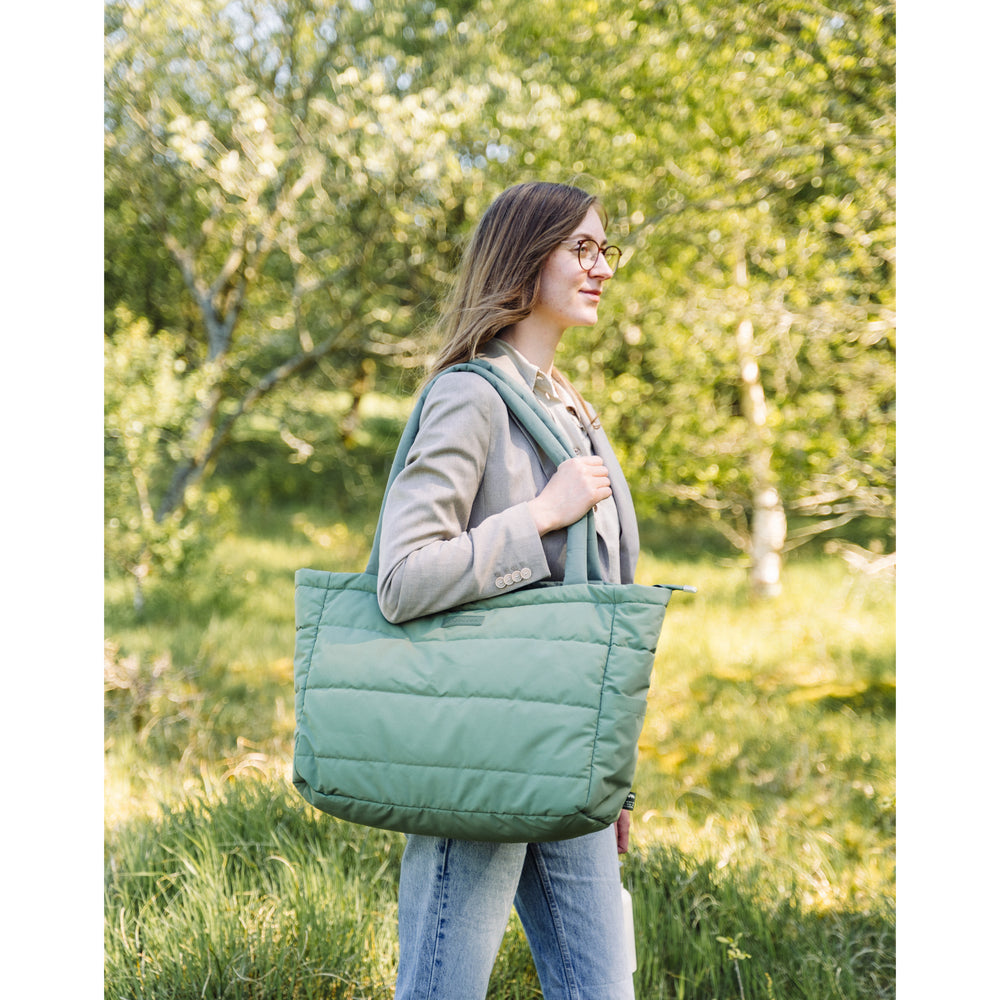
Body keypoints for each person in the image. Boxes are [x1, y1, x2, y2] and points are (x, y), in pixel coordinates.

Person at [376, 181, 640, 1000]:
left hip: (568, 752)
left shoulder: (570, 408)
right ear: (526, 260)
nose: (603, 267)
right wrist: (539, 517)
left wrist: (615, 775)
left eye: (605, 249)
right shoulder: (469, 396)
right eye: (581, 249)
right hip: (484, 747)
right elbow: (401, 577)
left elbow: (602, 607)